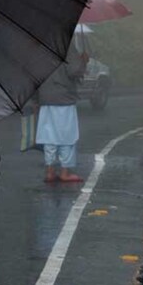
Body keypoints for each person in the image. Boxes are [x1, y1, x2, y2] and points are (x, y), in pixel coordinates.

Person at [35, 42, 89, 183]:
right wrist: (83, 61)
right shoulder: (66, 44)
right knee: (67, 136)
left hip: (45, 97)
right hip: (63, 97)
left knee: (49, 135)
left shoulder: (40, 44)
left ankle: (50, 171)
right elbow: (74, 71)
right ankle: (65, 172)